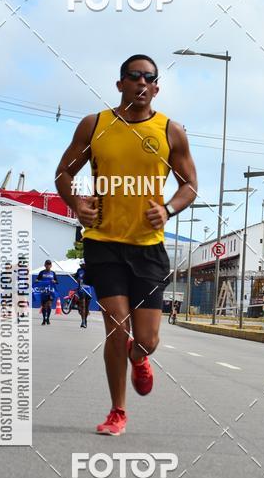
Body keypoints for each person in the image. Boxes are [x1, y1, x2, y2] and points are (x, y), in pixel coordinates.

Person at [55, 54, 197, 435]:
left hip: (148, 247)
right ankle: (118, 410)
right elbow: (64, 173)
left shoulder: (171, 131)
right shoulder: (95, 125)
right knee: (117, 329)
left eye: (149, 77)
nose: (141, 83)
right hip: (104, 243)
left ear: (156, 86)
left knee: (146, 338)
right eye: (134, 76)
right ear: (120, 84)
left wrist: (168, 210)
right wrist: (76, 203)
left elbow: (190, 185)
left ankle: (140, 356)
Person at [35, 260, 58, 325]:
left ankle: (48, 318)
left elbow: (57, 281)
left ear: (51, 266)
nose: (48, 265)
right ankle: (43, 319)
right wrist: (37, 280)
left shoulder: (53, 273)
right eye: (47, 264)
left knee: (49, 306)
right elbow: (37, 279)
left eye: (49, 264)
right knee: (44, 306)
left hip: (51, 291)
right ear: (45, 265)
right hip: (43, 291)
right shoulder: (41, 272)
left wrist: (54, 281)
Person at [73, 260, 92, 328]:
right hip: (81, 290)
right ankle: (83, 321)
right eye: (80, 265)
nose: (81, 266)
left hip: (88, 290)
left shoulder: (89, 270)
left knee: (87, 307)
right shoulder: (79, 270)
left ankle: (85, 320)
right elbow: (75, 277)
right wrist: (77, 279)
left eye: (82, 265)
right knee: (83, 306)